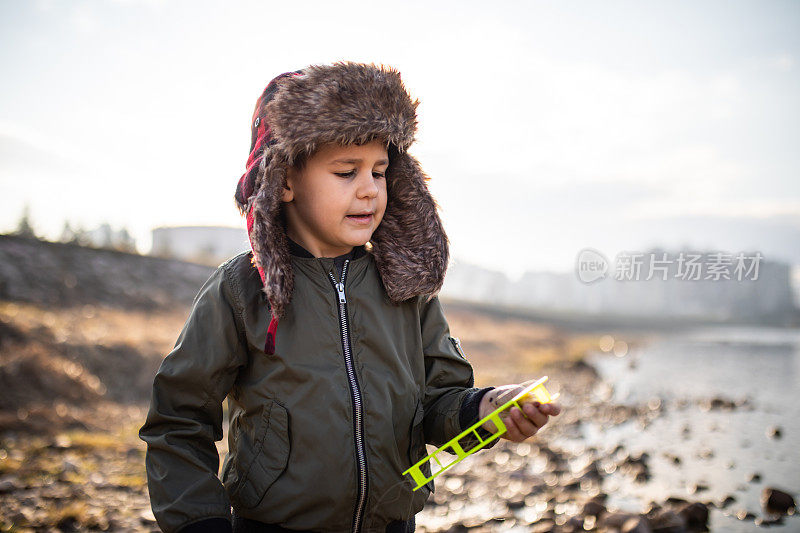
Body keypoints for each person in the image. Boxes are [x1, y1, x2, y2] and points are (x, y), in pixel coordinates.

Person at [138, 61, 561, 533]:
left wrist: (484, 411)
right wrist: (202, 524)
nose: (369, 190)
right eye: (346, 171)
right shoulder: (242, 289)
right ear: (285, 180)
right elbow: (179, 420)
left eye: (379, 172)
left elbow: (438, 403)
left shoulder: (405, 285)